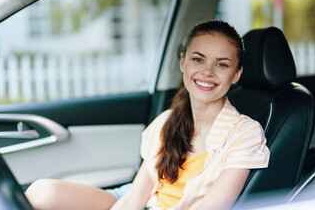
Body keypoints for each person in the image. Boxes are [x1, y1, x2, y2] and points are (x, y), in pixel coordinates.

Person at [25, 20, 270, 210]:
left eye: (221, 64)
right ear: (183, 62)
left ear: (236, 74)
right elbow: (134, 198)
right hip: (140, 200)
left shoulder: (245, 133)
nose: (207, 72)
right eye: (198, 59)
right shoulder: (166, 121)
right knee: (41, 192)